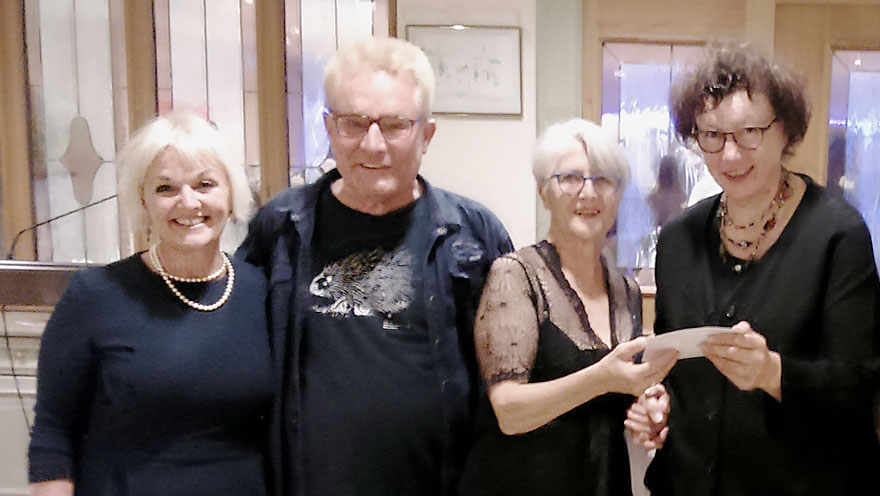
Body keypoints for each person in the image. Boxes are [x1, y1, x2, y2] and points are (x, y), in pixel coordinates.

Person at [236, 36, 512, 496]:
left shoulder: (473, 234)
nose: (373, 144)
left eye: (395, 125)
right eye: (353, 123)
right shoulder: (281, 228)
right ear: (329, 127)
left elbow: (513, 374)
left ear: (427, 135)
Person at [639, 44, 880, 495]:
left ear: (785, 129)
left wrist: (773, 373)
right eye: (712, 135)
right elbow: (673, 363)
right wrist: (657, 402)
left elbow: (859, 385)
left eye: (750, 132)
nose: (730, 155)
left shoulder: (837, 235)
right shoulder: (678, 240)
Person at [28, 113, 272, 495]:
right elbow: (53, 434)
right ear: (143, 199)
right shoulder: (94, 296)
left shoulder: (265, 292)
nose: (188, 202)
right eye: (165, 188)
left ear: (231, 193)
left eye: (205, 184)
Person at [458, 118, 678, 496]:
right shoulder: (515, 275)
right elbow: (508, 411)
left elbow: (614, 400)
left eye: (604, 180)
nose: (588, 193)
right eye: (571, 178)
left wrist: (647, 408)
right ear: (544, 192)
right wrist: (602, 379)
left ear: (619, 195)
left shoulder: (625, 290)